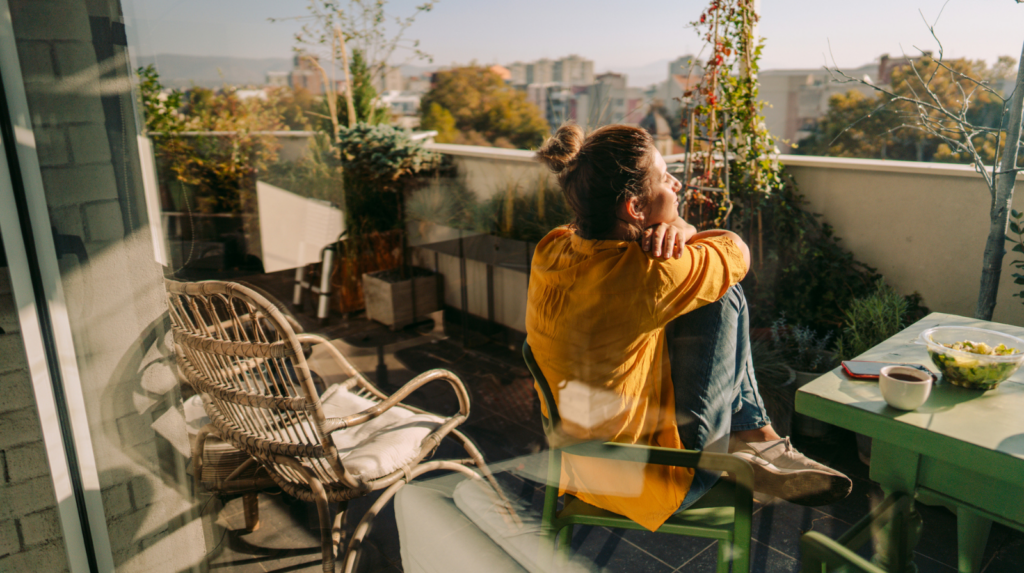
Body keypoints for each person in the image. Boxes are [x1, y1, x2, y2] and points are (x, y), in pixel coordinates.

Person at [525, 122, 851, 532]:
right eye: (664, 178)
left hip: (576, 468)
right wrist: (683, 230)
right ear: (634, 208)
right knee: (723, 294)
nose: (676, 183)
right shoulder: (650, 274)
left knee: (696, 296)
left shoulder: (551, 247)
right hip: (653, 479)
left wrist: (677, 229)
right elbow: (737, 253)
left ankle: (756, 440)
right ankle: (754, 440)